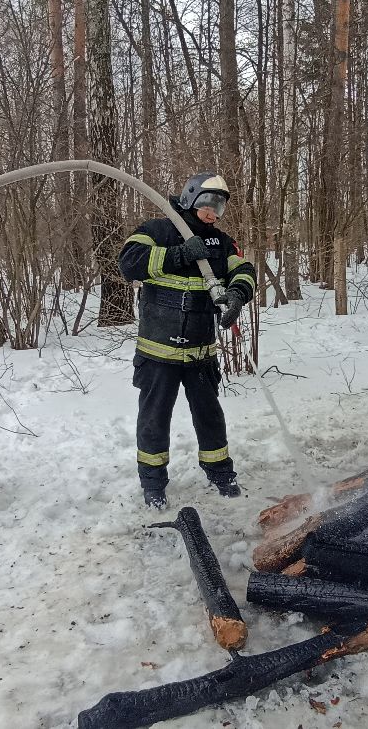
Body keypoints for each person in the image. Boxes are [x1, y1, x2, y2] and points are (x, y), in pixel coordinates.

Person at [119, 172, 256, 509]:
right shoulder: (157, 231)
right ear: (192, 197)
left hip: (200, 353)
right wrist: (177, 255)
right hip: (157, 353)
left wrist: (237, 295)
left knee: (210, 417)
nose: (213, 212)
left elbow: (244, 270)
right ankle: (153, 483)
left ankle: (221, 474)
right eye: (208, 203)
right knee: (154, 419)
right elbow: (129, 263)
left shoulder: (221, 243)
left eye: (219, 206)